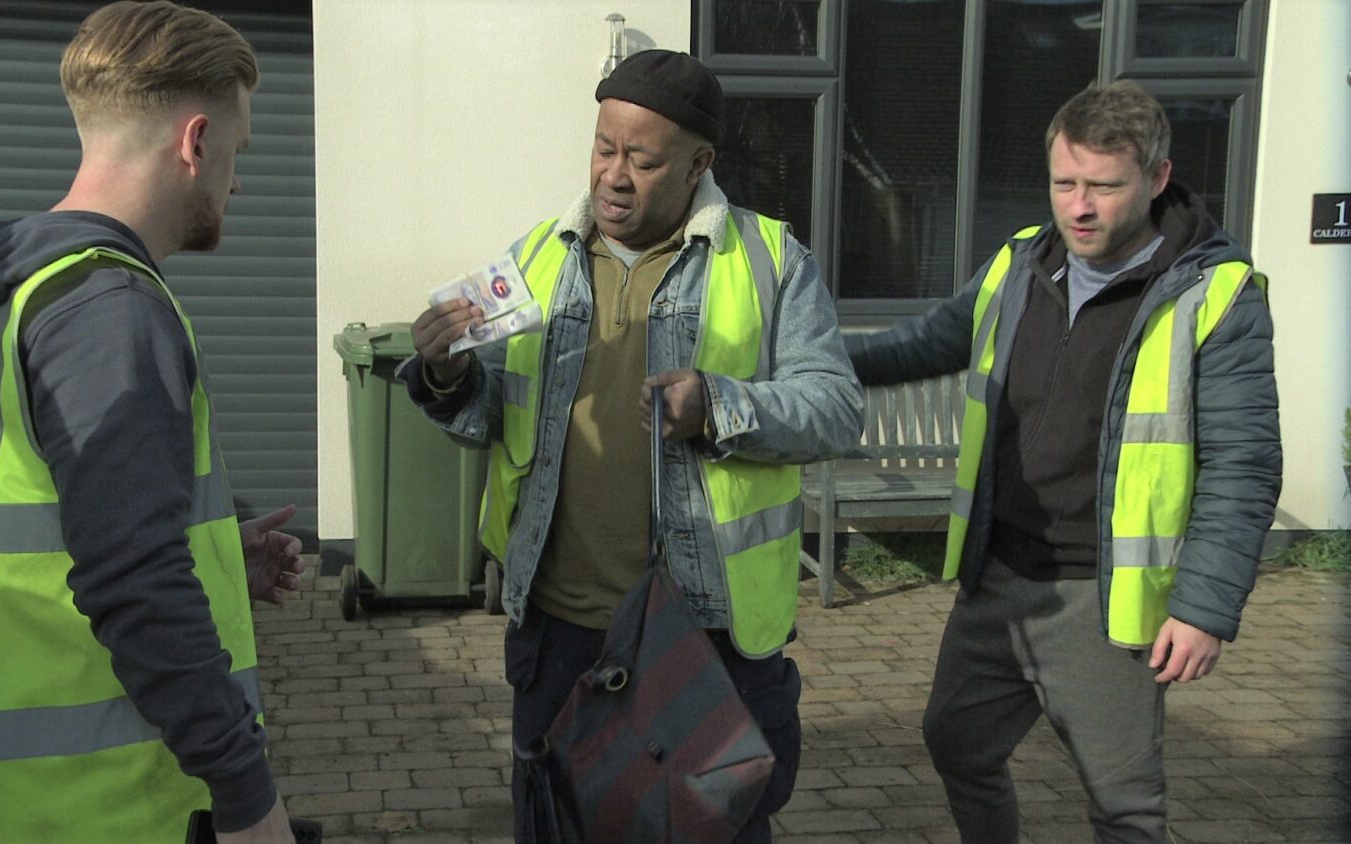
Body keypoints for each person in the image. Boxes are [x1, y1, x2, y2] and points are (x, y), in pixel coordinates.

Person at [403, 50, 863, 842]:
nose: (614, 175)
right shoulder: (539, 259)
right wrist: (444, 376)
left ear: (698, 165)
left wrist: (718, 405)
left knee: (707, 825)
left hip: (704, 630)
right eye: (603, 149)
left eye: (643, 160)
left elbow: (835, 408)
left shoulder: (769, 260)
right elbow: (490, 416)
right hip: (557, 624)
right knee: (554, 822)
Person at [0, 3, 305, 842]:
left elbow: (70, 527)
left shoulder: (26, 288)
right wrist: (248, 797)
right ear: (194, 142)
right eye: (236, 152)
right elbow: (134, 582)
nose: (236, 182)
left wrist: (210, 553)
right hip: (85, 810)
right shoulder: (109, 311)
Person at [846, 81, 1282, 843]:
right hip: (999, 575)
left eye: (1104, 187)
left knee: (1124, 808)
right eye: (1064, 183)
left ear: (1156, 178)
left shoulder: (1216, 293)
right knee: (956, 744)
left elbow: (1245, 465)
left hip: (1103, 601)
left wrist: (1204, 608)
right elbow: (928, 344)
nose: (1079, 207)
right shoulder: (1019, 263)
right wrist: (818, 367)